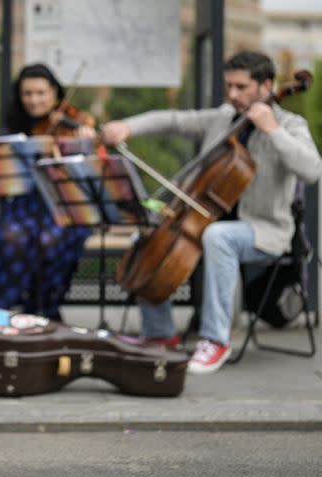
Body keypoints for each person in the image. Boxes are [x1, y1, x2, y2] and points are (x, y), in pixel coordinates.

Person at [102, 50, 322, 374]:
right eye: (229, 86)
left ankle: (215, 340)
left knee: (219, 236)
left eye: (241, 87)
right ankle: (160, 334)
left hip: (263, 231)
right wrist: (127, 127)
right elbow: (174, 121)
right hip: (204, 222)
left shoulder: (290, 124)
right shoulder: (222, 118)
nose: (232, 95)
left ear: (266, 86)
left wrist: (272, 130)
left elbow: (312, 170)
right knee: (147, 233)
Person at [0, 63, 96, 321]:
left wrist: (84, 143)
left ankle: (44, 308)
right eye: (27, 93)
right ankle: (3, 306)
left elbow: (86, 178)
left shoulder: (74, 124)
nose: (34, 100)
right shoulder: (13, 126)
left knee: (51, 241)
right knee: (10, 238)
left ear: (55, 93)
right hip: (23, 203)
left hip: (61, 204)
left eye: (40, 93)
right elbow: (0, 175)